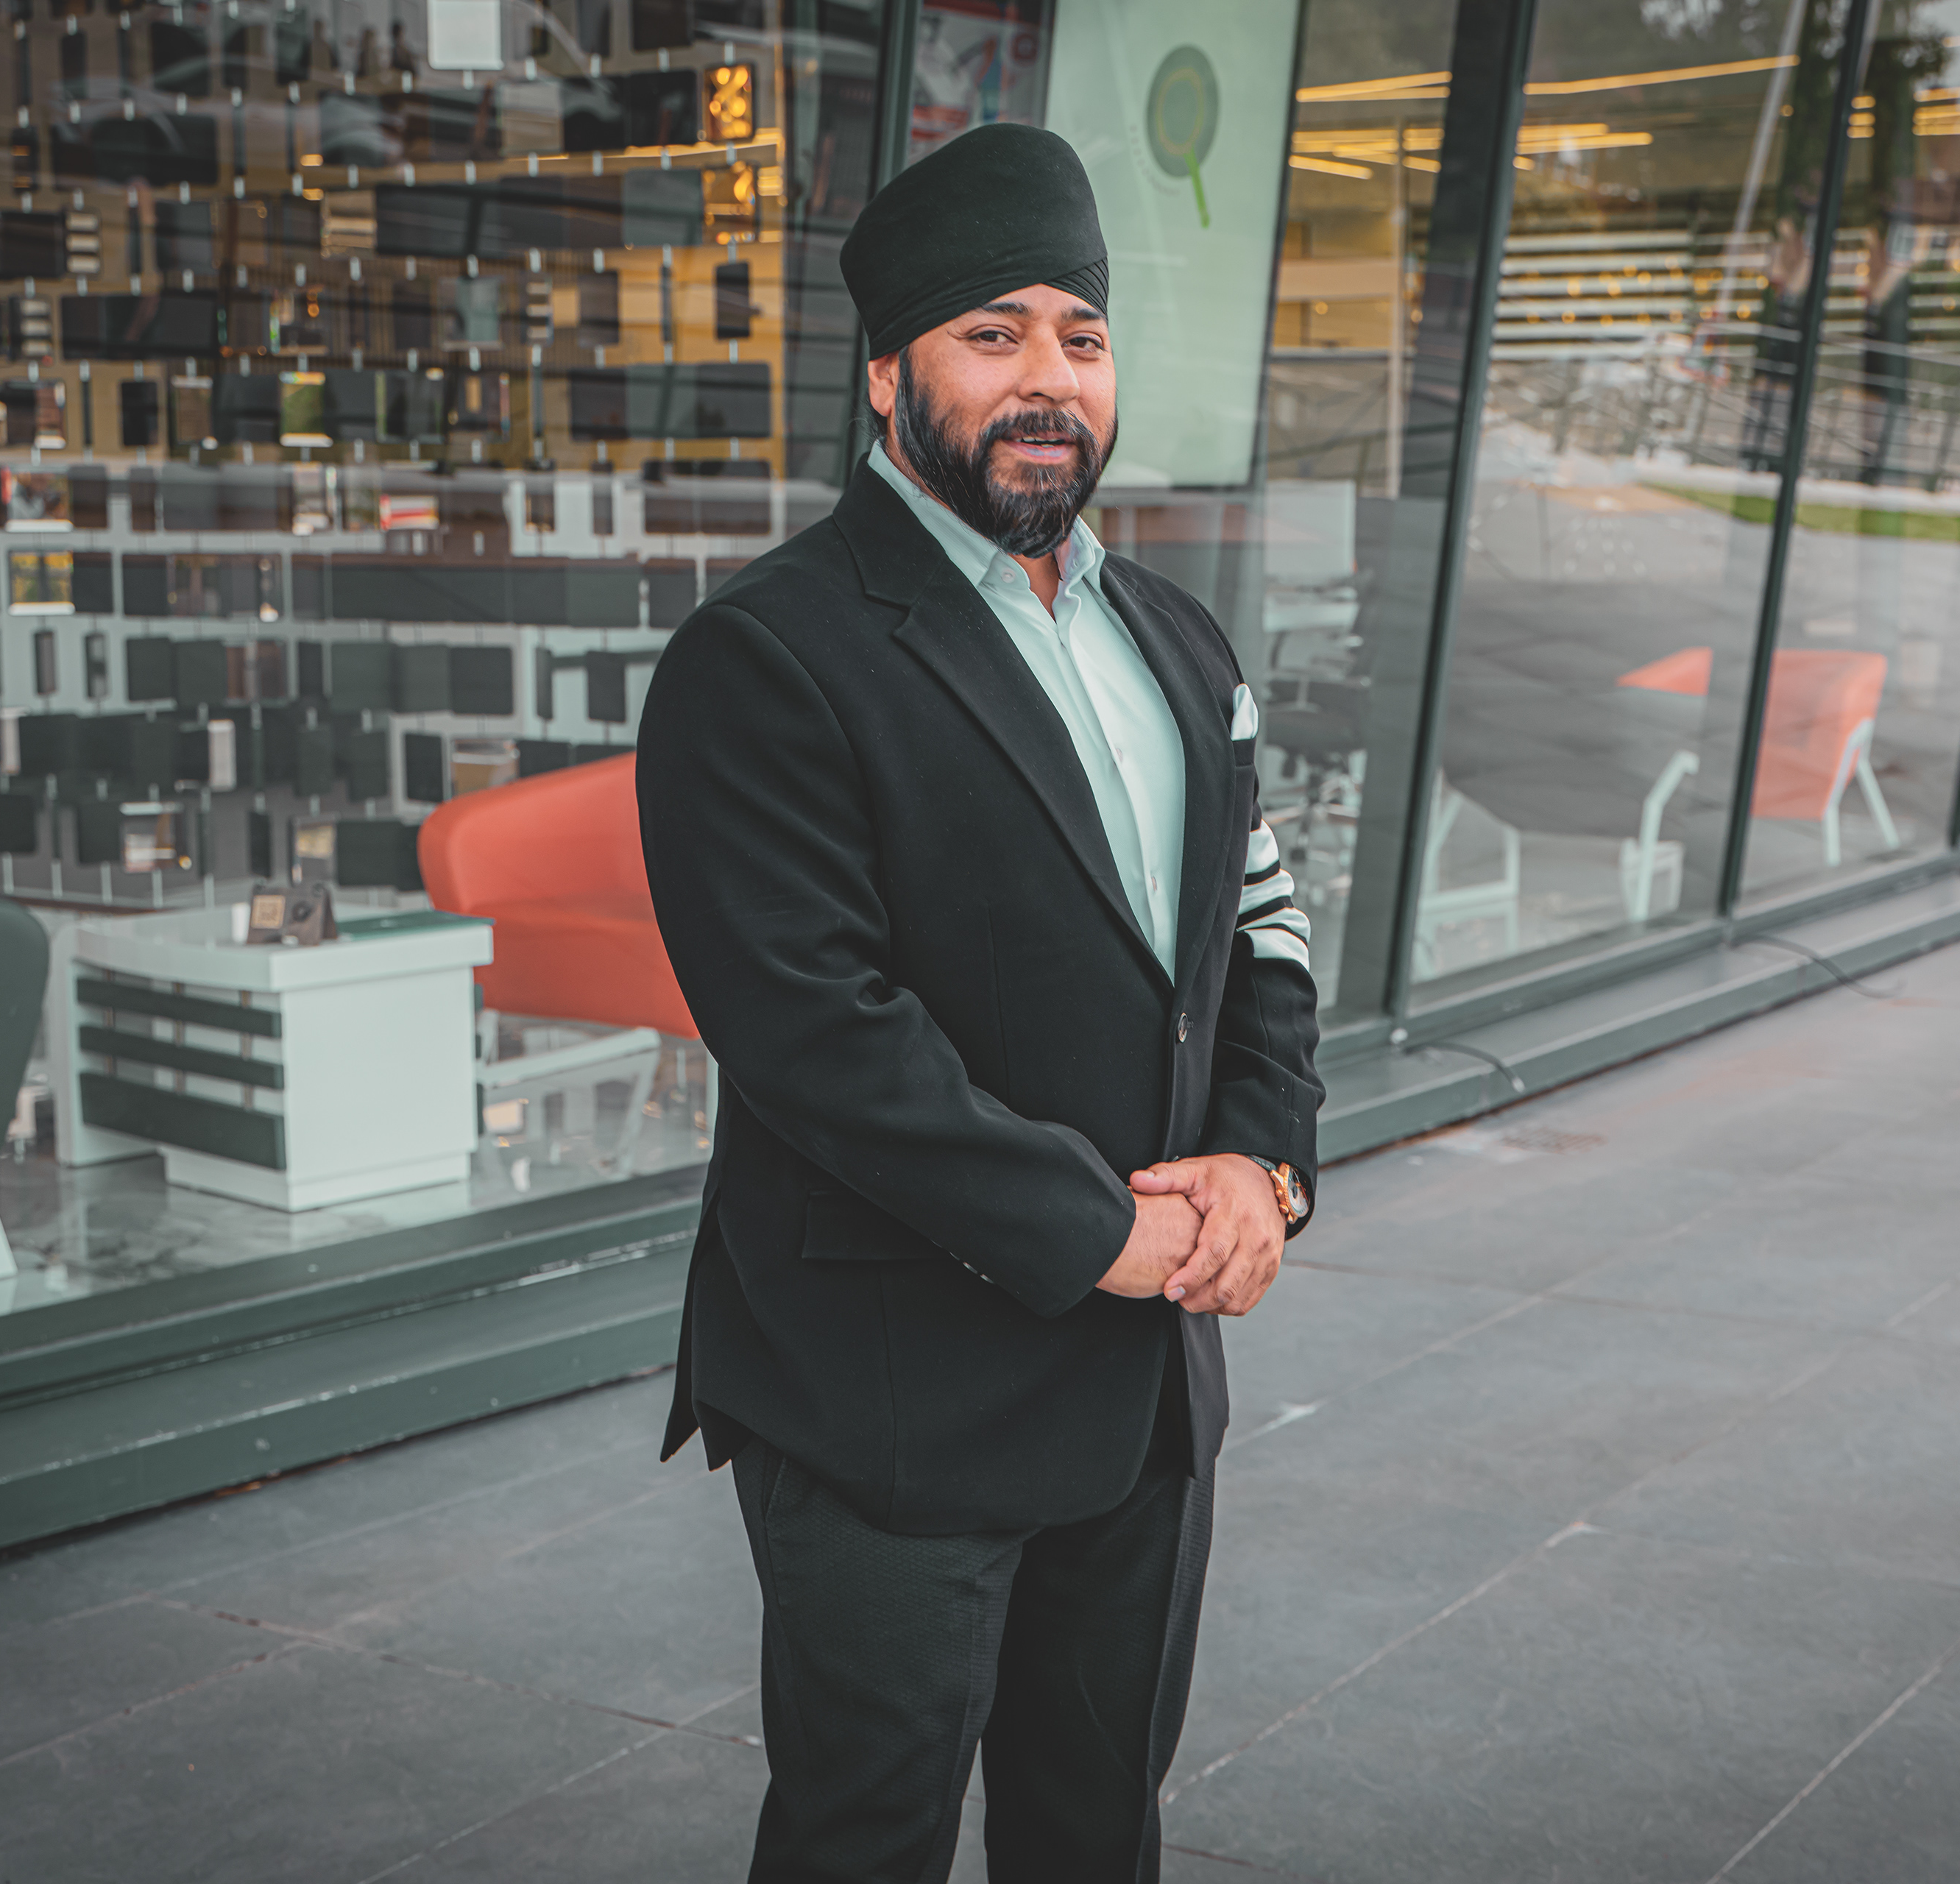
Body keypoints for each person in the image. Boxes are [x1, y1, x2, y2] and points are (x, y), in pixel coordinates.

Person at [635, 122, 1325, 1884]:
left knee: (1097, 1833)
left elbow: (1258, 931)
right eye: (992, 333)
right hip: (894, 1395)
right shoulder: (766, 654)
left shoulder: (1180, 639)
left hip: (1144, 1388)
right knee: (865, 1841)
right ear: (888, 374)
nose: (1048, 380)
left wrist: (1264, 1166)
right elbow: (815, 1032)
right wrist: (1104, 1229)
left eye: (1080, 337)